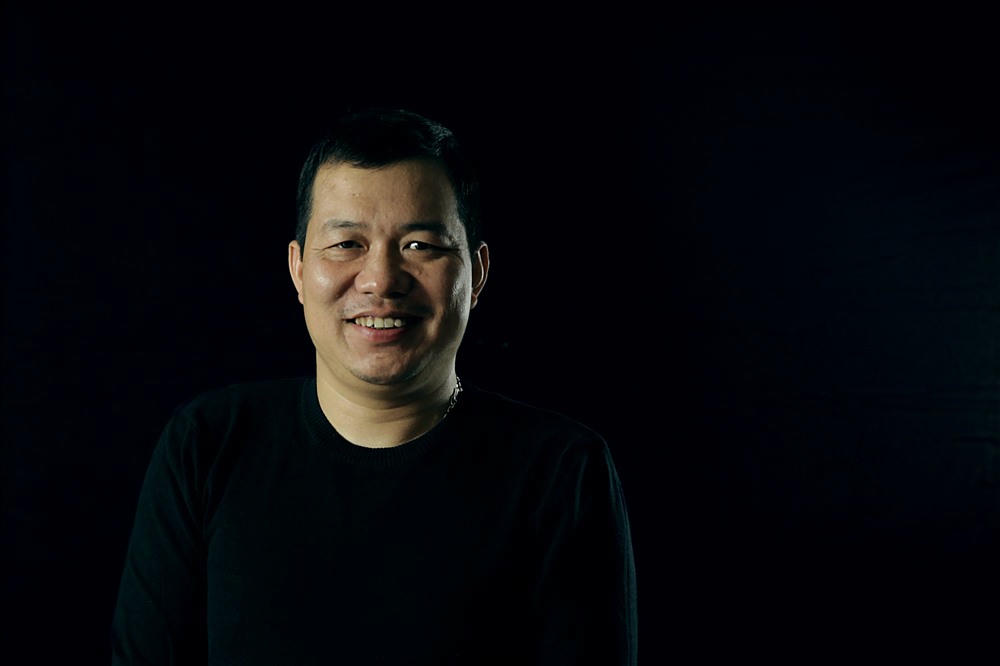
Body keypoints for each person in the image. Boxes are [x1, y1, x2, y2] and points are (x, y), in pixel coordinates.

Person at [111, 108, 638, 665]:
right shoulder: (208, 445)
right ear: (297, 269)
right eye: (346, 244)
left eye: (421, 245)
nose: (381, 279)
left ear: (477, 273)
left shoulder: (560, 472)